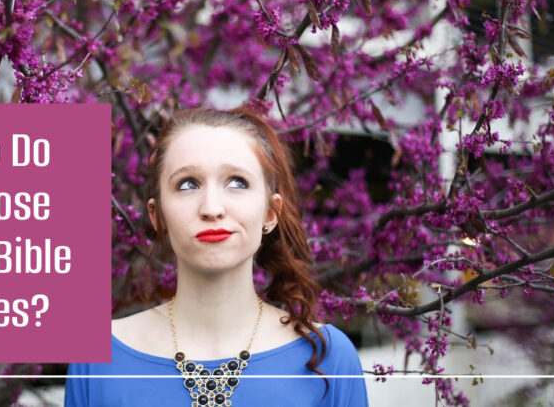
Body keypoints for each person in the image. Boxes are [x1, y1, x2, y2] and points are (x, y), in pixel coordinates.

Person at [65, 107, 368, 406]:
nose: (211, 208)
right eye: (187, 184)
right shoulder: (99, 358)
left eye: (237, 182)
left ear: (271, 212)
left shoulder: (328, 357)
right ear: (158, 217)